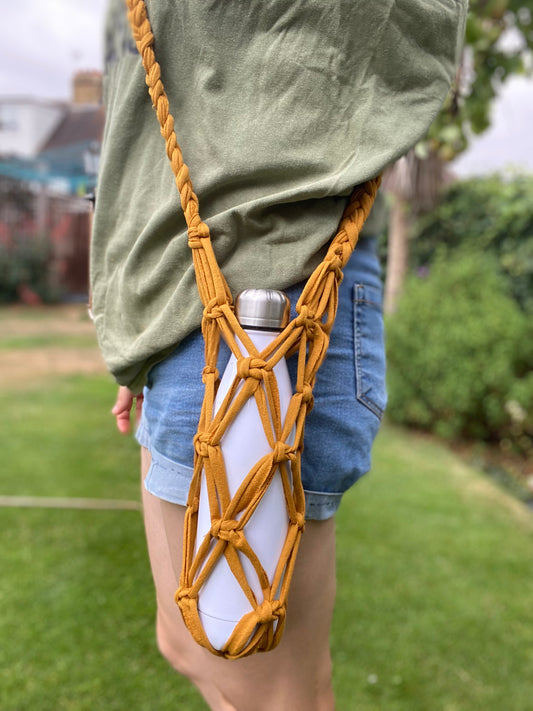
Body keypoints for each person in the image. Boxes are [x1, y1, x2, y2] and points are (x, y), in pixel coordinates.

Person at [92, 1, 467, 708]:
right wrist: (136, 327)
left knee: (268, 687)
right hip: (183, 285)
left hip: (271, 272)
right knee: (190, 643)